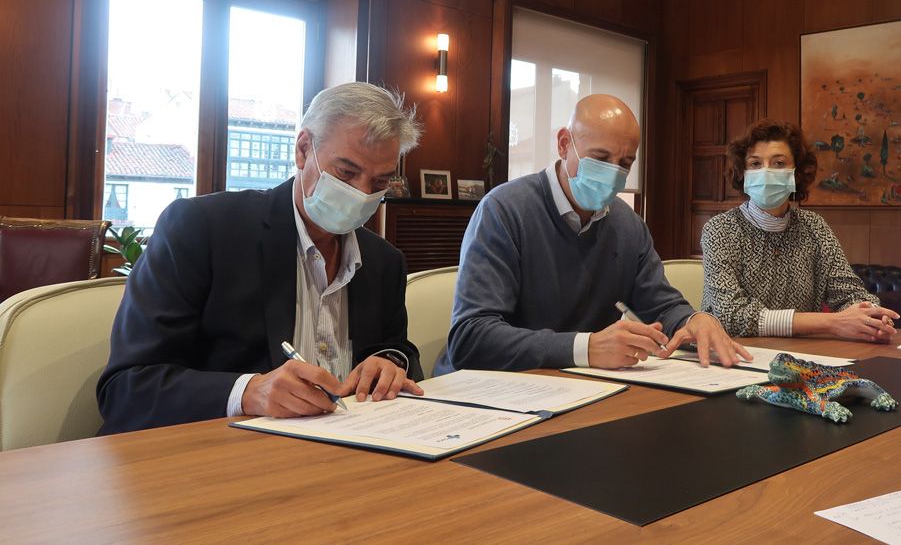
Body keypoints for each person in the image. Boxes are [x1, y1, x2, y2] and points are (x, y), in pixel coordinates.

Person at [97, 83, 426, 434]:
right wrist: (248, 392)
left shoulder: (383, 261)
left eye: (379, 181)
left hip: (350, 455)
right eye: (345, 172)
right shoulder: (203, 230)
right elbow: (126, 387)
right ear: (303, 150)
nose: (361, 193)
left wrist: (391, 364)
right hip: (219, 458)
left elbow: (396, 348)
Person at [436, 94, 751, 375]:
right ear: (563, 144)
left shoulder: (628, 225)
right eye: (601, 158)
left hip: (579, 388)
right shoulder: (504, 210)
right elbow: (471, 337)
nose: (614, 172)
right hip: (489, 391)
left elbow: (662, 304)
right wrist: (585, 348)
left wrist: (694, 321)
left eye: (625, 163)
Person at [701, 119, 899, 343]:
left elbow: (847, 291)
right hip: (732, 357)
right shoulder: (720, 229)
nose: (766, 171)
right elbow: (731, 315)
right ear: (742, 173)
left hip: (800, 356)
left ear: (796, 173)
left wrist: (872, 315)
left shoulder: (813, 226)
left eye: (778, 163)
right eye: (755, 164)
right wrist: (832, 323)